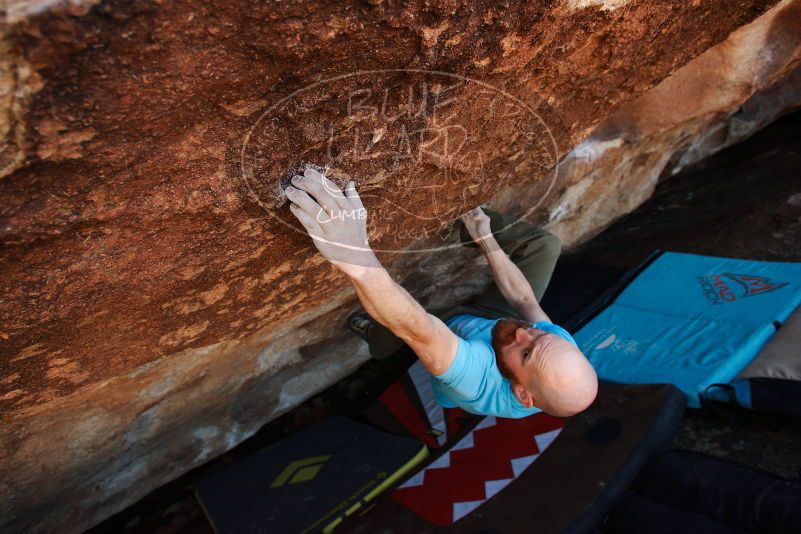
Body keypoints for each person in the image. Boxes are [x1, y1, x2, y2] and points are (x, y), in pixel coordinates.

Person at [285, 167, 597, 418]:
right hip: (490, 324)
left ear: (521, 393)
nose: (525, 335)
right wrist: (485, 238)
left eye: (526, 353)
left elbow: (420, 329)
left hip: (455, 337)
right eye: (541, 336)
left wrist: (352, 251)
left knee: (400, 325)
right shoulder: (554, 352)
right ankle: (464, 224)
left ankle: (378, 339)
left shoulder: (477, 382)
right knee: (544, 247)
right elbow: (524, 301)